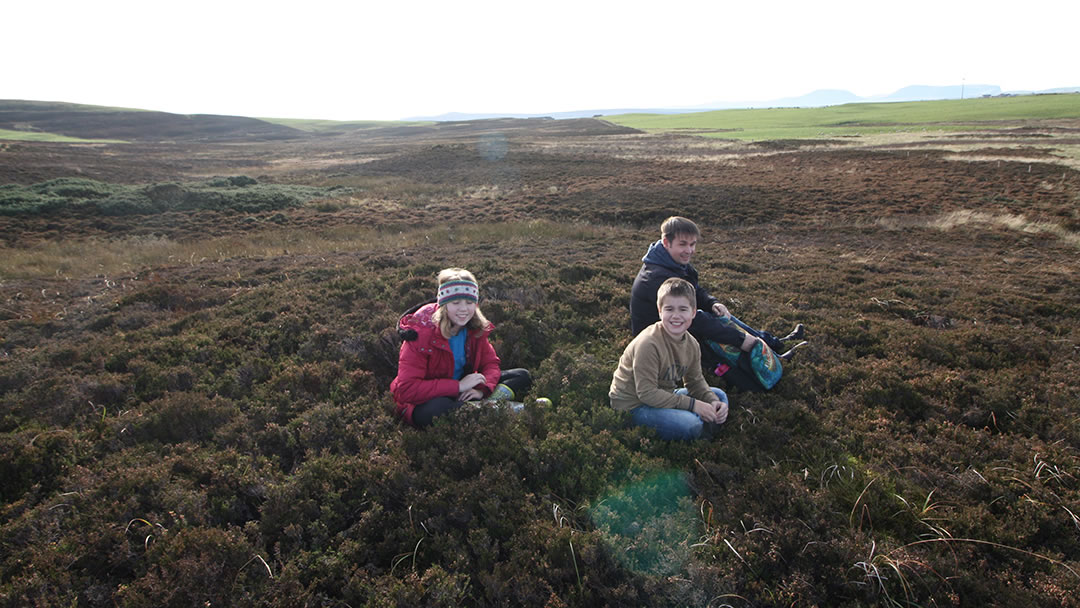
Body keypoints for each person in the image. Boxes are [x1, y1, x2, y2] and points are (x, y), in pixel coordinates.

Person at [629, 216, 807, 387]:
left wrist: (712, 303)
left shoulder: (671, 262)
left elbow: (694, 291)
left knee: (719, 315)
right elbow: (696, 321)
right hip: (663, 343)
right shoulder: (657, 277)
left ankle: (773, 346)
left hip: (677, 327)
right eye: (683, 244)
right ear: (666, 243)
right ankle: (767, 356)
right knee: (715, 328)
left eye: (692, 244)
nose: (689, 250)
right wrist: (740, 339)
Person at [390, 268, 532, 427]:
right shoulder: (420, 334)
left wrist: (481, 390)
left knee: (521, 376)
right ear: (443, 305)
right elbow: (408, 390)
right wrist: (458, 386)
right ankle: (502, 410)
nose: (464, 309)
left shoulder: (474, 329)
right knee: (437, 410)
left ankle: (483, 405)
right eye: (456, 303)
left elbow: (491, 364)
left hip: (462, 392)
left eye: (469, 302)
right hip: (427, 400)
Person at [610, 277, 729, 440]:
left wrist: (711, 401)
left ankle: (705, 429)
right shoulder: (649, 343)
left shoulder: (692, 344)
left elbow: (695, 381)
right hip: (634, 406)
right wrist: (694, 405)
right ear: (660, 311)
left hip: (664, 394)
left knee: (719, 396)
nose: (676, 316)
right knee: (689, 424)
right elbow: (646, 394)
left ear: (693, 312)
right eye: (669, 309)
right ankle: (702, 433)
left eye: (683, 309)